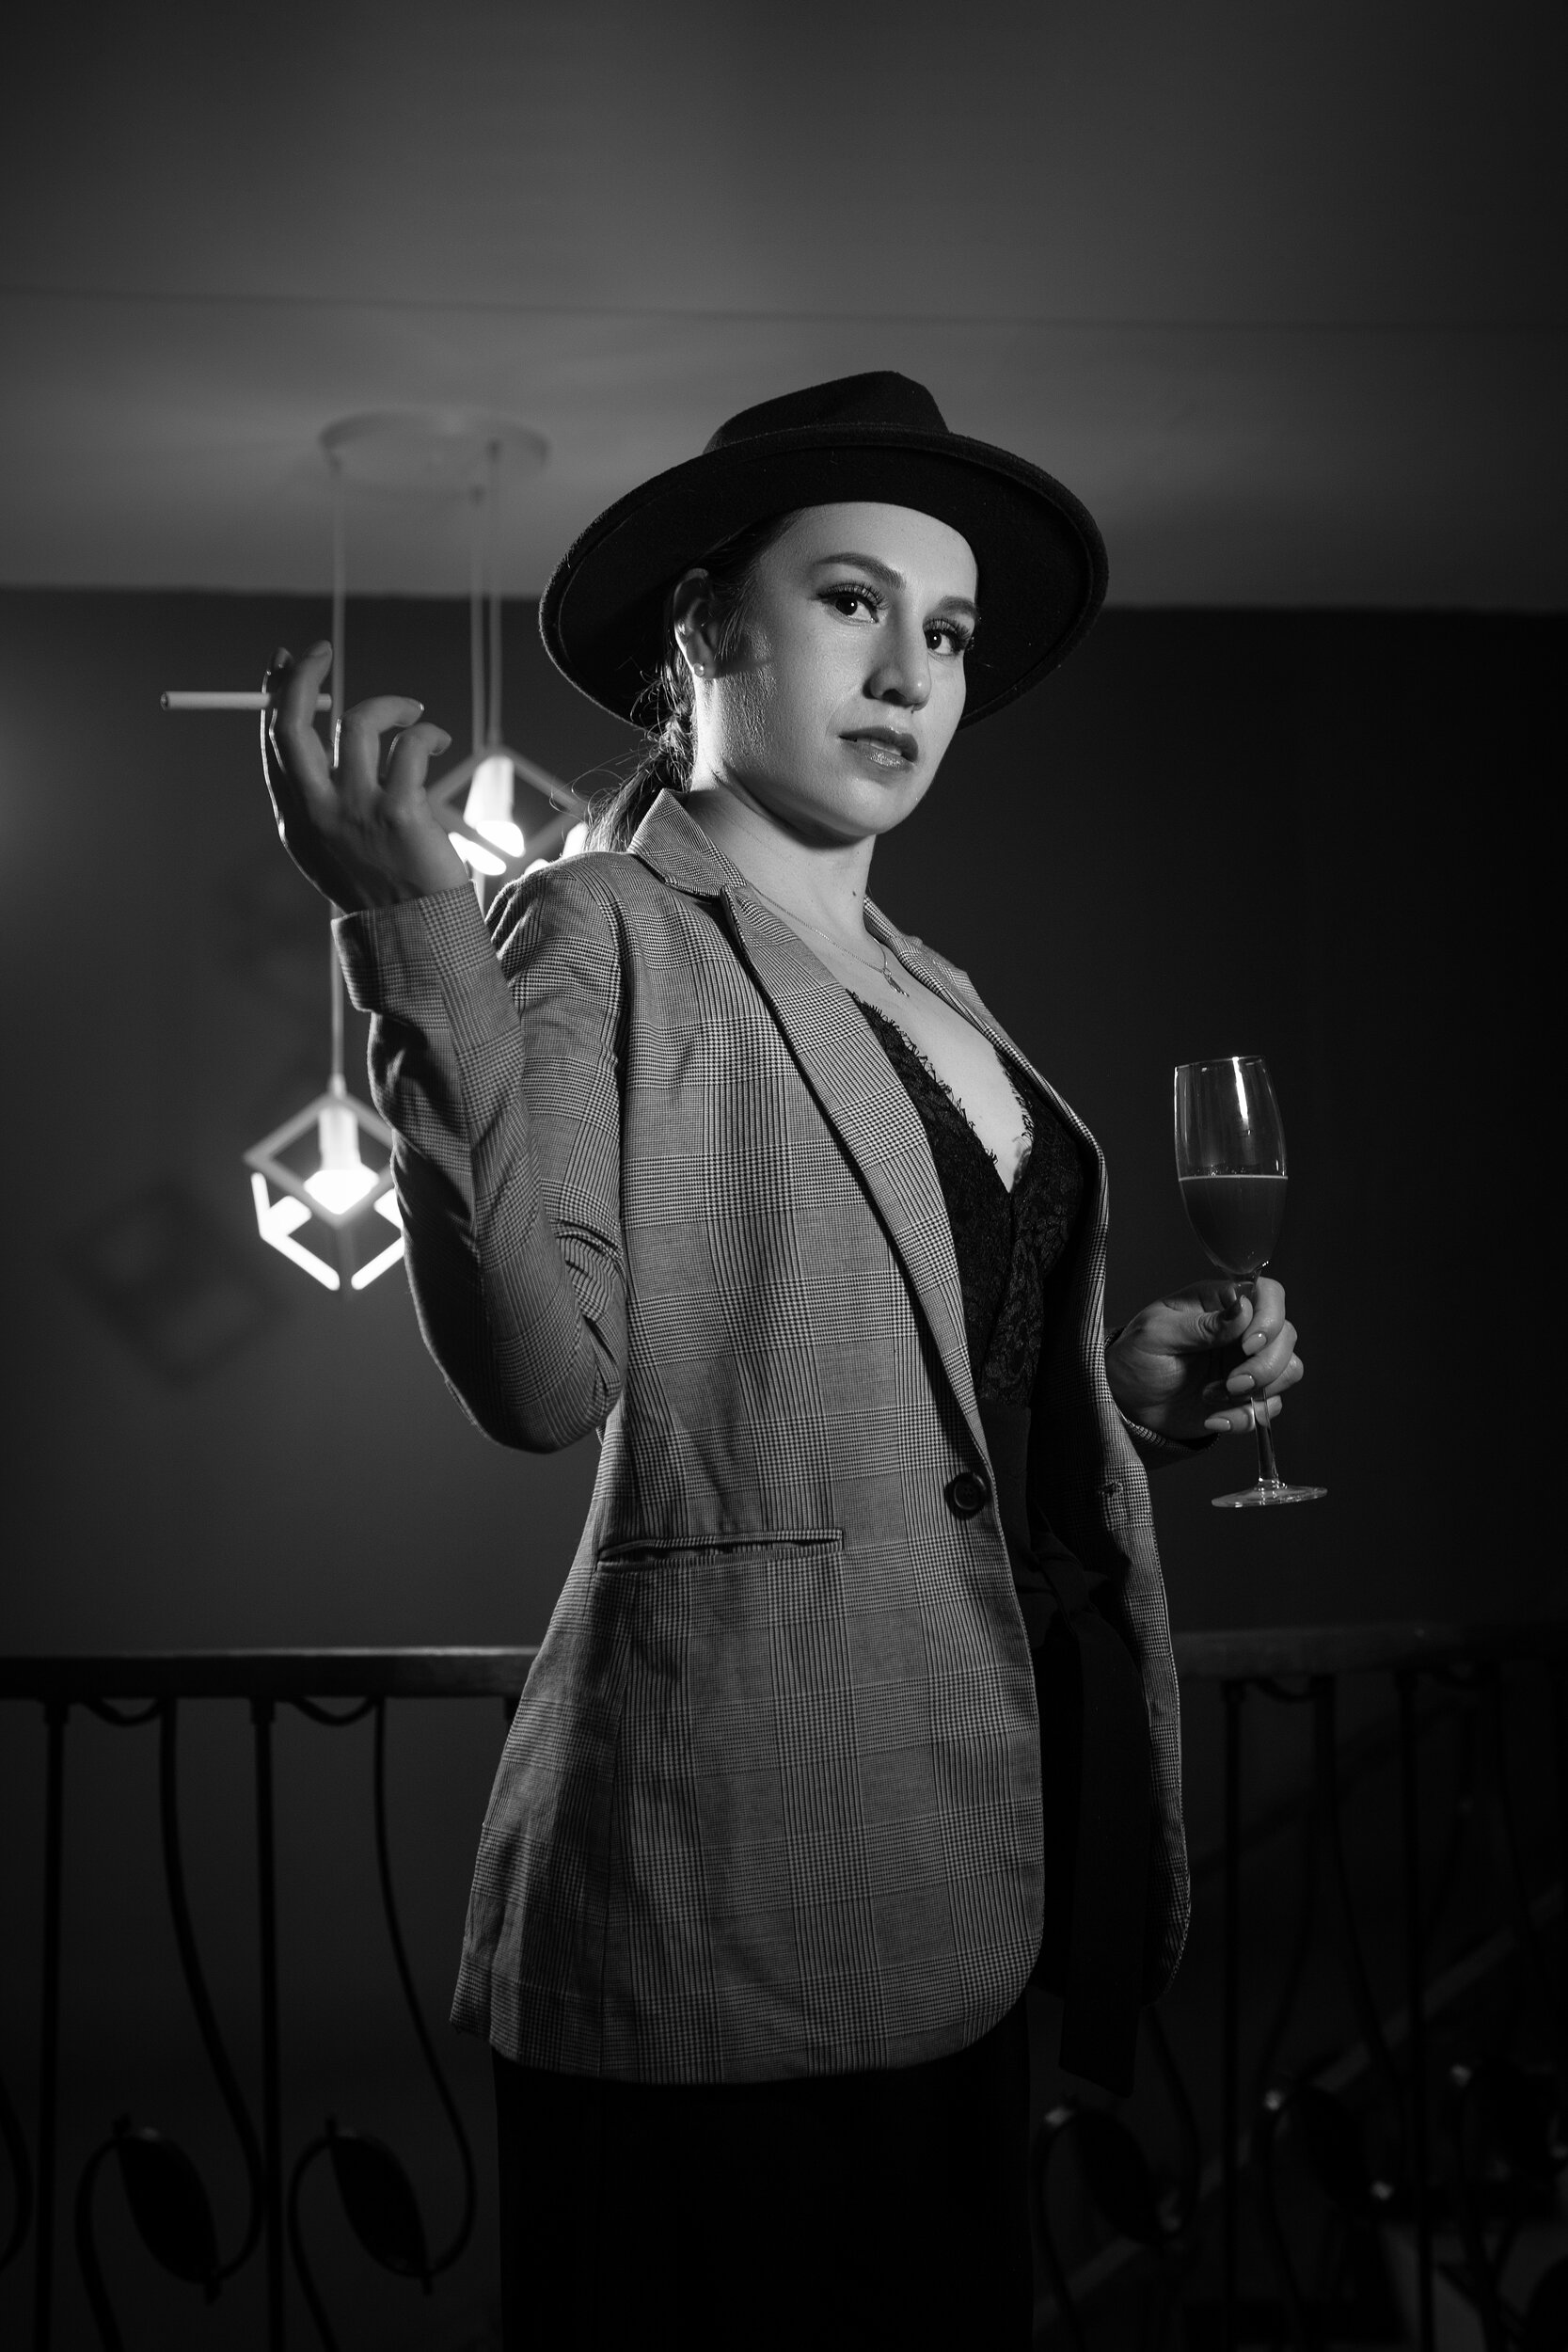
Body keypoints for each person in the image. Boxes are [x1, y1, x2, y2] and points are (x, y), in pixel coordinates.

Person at [261, 373, 1304, 2349]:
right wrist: (411, 933)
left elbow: (908, 1375)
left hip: (961, 1872)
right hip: (715, 1890)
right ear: (701, 633)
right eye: (851, 602)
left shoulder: (932, 983)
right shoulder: (597, 923)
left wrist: (1121, 1405)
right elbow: (543, 1380)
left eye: (951, 632)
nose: (913, 672)